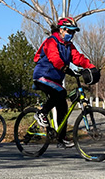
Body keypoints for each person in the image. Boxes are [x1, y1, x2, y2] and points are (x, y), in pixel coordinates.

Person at [32, 17, 97, 148]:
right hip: (42, 77)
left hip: (55, 81)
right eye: (69, 31)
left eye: (73, 32)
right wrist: (66, 69)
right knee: (61, 93)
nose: (71, 34)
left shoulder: (69, 46)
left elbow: (78, 58)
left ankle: (61, 139)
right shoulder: (51, 41)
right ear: (61, 30)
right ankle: (41, 113)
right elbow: (54, 58)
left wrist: (91, 67)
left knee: (63, 107)